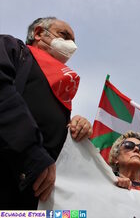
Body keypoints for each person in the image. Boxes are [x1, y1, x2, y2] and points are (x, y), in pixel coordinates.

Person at [0, 17, 92, 209]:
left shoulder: (63, 91)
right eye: (64, 35)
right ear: (39, 33)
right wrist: (31, 151)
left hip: (33, 201)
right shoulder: (13, 49)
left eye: (74, 41)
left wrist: (74, 129)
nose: (71, 45)